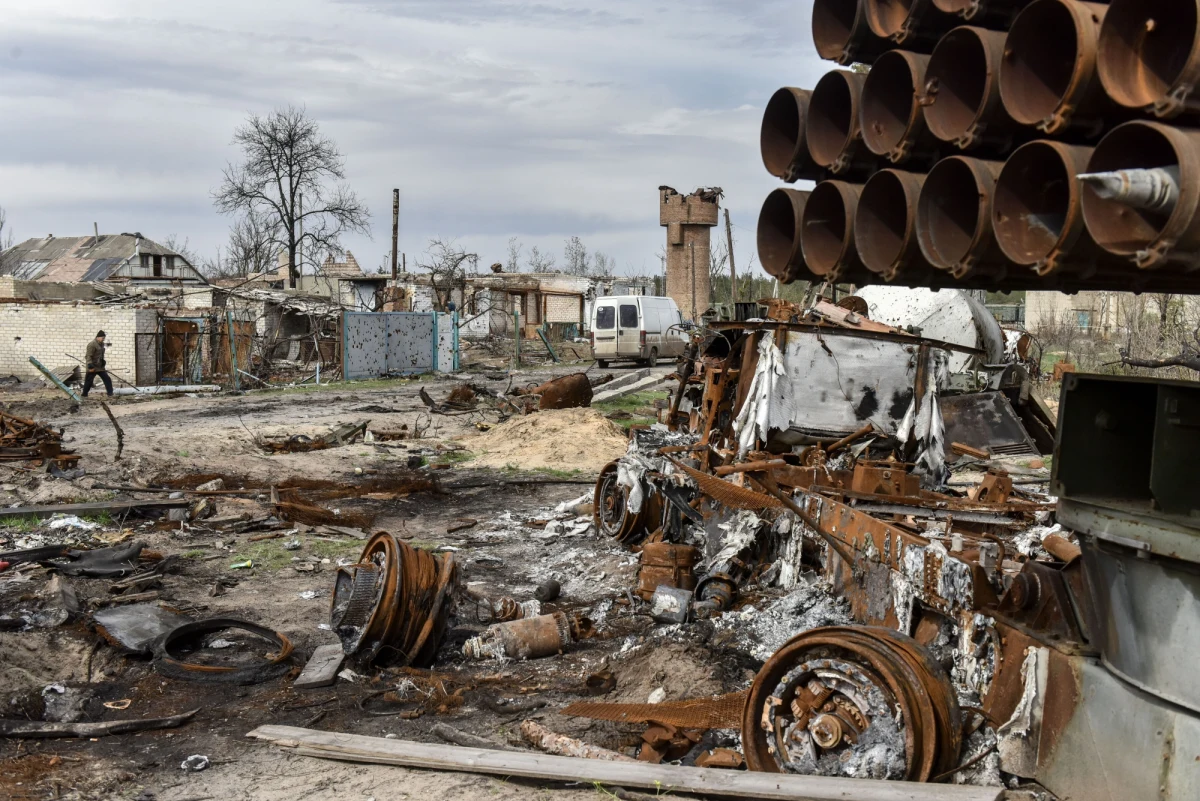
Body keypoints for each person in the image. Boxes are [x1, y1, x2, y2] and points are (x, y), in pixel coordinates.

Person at [83, 330, 113, 398]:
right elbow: (88, 356)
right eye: (102, 338)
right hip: (92, 367)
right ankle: (84, 394)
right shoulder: (92, 344)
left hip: (100, 367)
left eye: (104, 338)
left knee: (107, 379)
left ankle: (110, 393)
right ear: (98, 337)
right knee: (89, 381)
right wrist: (90, 366)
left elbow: (101, 354)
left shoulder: (101, 344)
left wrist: (103, 362)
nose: (103, 339)